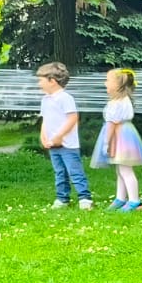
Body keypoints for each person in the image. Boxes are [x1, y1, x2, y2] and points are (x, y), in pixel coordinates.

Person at [91, 68, 142, 211]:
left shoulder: (116, 103)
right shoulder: (123, 100)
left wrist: (107, 143)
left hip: (120, 137)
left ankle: (134, 201)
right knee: (121, 169)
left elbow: (112, 124)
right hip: (126, 135)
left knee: (125, 170)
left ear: (117, 85)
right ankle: (120, 198)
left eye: (107, 80)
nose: (105, 83)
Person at [36, 62, 92, 209]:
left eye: (41, 80)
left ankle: (85, 198)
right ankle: (62, 198)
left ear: (52, 81)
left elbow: (72, 118)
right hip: (53, 144)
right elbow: (45, 120)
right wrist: (44, 137)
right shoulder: (45, 100)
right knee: (59, 172)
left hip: (68, 144)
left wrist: (59, 136)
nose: (38, 83)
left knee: (75, 171)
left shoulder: (65, 98)